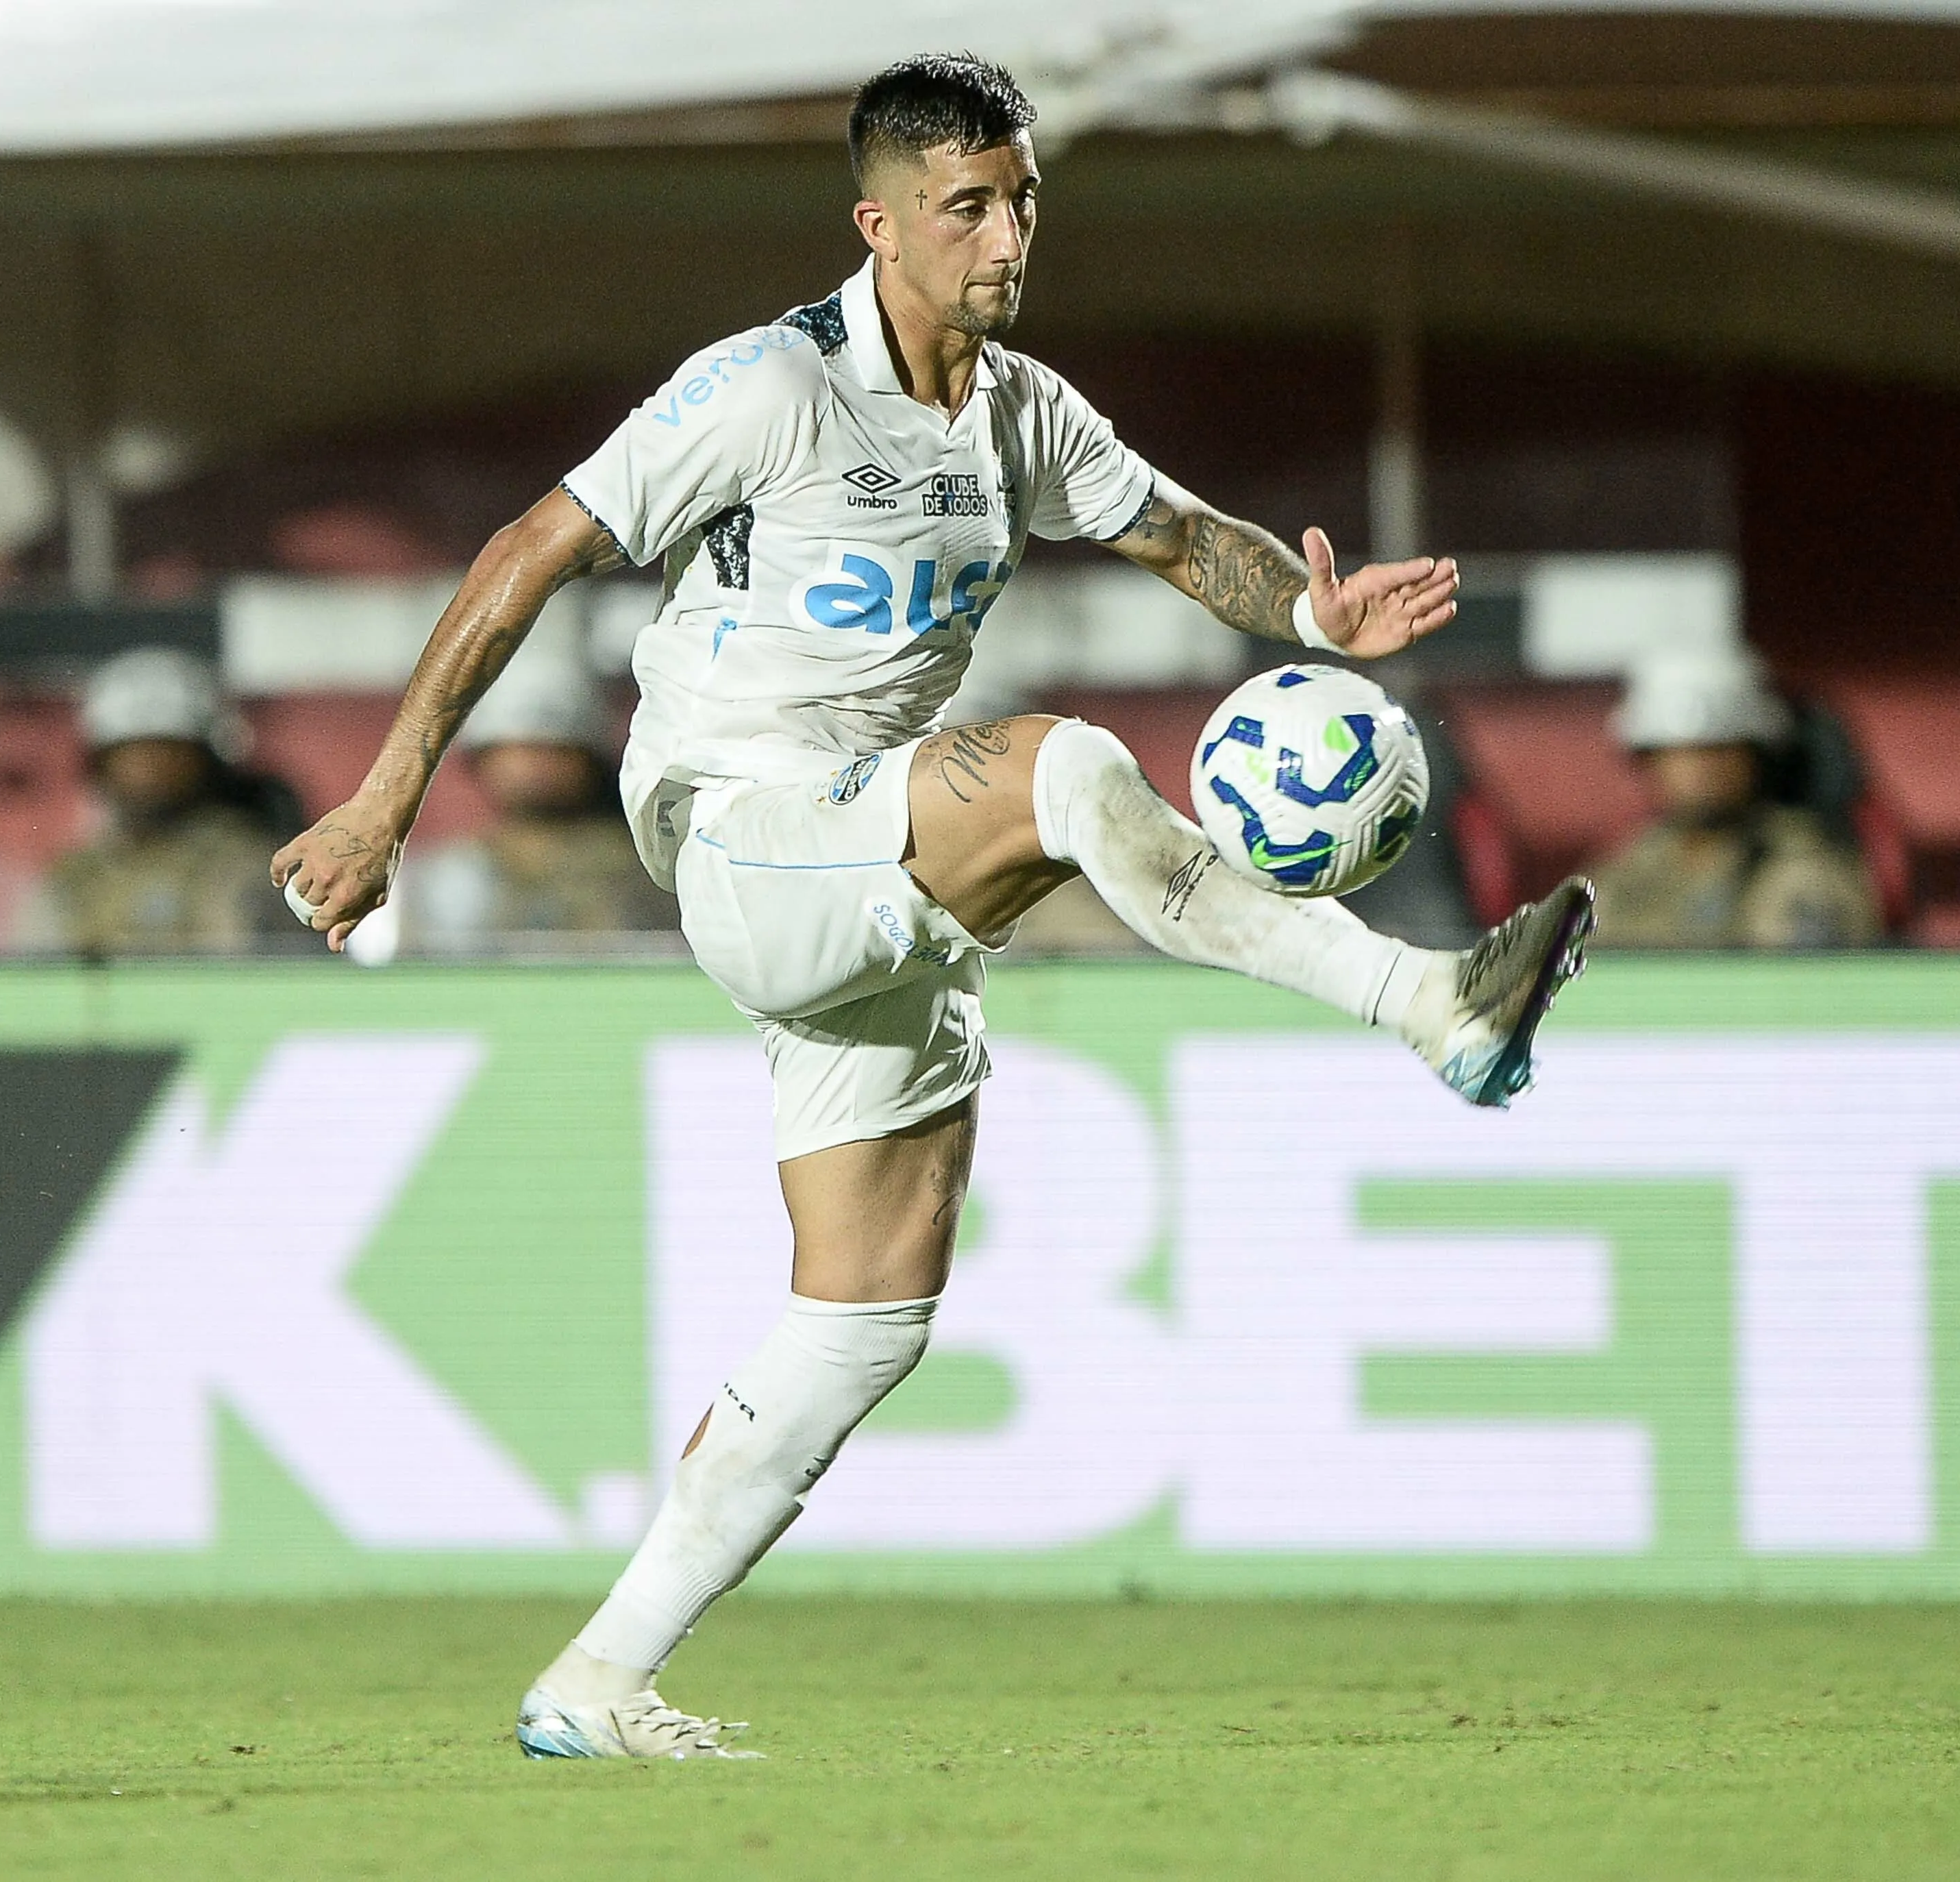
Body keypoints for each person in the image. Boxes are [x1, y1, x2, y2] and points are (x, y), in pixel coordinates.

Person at [271, 54, 1596, 1760]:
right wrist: (387, 796)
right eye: (965, 204)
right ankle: (1429, 1002)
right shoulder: (768, 387)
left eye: (1023, 194)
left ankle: (594, 1678)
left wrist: (1315, 620)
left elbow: (1183, 538)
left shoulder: (1020, 411)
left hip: (875, 873)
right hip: (743, 833)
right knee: (1055, 769)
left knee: (866, 1309)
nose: (1003, 233)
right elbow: (532, 545)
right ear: (876, 220)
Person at [1589, 651, 1881, 950]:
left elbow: (1805, 981)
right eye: (1680, 752)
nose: (1701, 767)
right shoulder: (1628, 868)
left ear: (1757, 758)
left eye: (1720, 750)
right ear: (1648, 762)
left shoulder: (1802, 865)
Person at [18, 647, 297, 957]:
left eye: (169, 750)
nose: (151, 766)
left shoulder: (254, 863)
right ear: (101, 763)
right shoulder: (75, 876)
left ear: (207, 759)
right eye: (133, 751)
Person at [392, 656, 680, 953]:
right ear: (482, 759)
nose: (535, 766)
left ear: (590, 759)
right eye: (517, 749)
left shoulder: (649, 869)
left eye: (555, 749)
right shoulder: (446, 876)